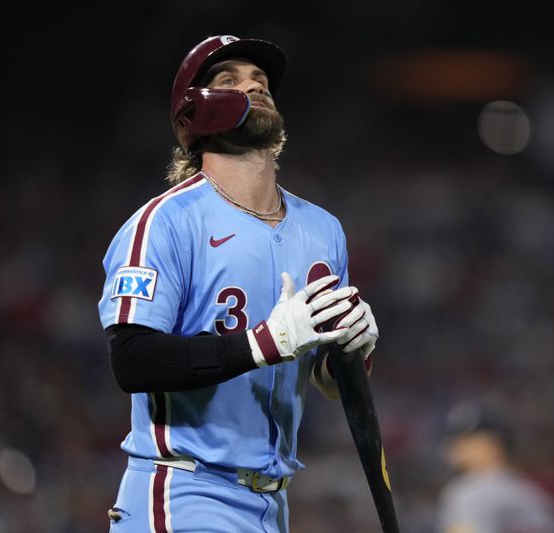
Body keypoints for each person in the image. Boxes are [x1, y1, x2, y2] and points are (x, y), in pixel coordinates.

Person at [97, 35, 378, 533]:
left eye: (261, 80)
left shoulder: (323, 230)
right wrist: (261, 344)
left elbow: (325, 378)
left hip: (273, 505)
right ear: (195, 110)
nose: (254, 86)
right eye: (230, 80)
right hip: (184, 490)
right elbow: (132, 361)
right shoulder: (165, 221)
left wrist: (351, 353)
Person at [437, 401, 554, 533]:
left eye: (466, 439)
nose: (454, 445)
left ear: (492, 444)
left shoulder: (469, 492)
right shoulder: (534, 495)